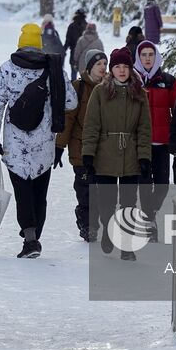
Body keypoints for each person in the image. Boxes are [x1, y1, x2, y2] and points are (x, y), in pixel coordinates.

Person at [0, 23, 76, 258]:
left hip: (15, 144)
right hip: (44, 144)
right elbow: (71, 103)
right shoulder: (53, 70)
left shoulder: (6, 70)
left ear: (20, 43)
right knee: (40, 191)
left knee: (22, 191)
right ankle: (36, 234)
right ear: (40, 45)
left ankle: (30, 237)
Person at [81, 46, 153, 261]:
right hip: (105, 154)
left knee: (129, 203)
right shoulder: (100, 92)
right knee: (107, 202)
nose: (122, 71)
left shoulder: (139, 94)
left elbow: (144, 128)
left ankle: (126, 245)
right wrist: (88, 154)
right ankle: (108, 229)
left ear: (131, 69)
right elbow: (92, 124)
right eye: (117, 66)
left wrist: (144, 156)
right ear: (111, 70)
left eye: (125, 66)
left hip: (130, 154)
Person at [57, 47, 107, 242]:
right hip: (80, 148)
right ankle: (88, 225)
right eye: (98, 64)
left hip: (103, 149)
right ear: (89, 67)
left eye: (104, 63)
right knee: (85, 189)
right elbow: (68, 119)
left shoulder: (110, 87)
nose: (102, 67)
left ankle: (91, 220)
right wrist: (59, 147)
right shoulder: (77, 87)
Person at [133, 40, 176, 239]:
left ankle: (149, 214)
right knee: (144, 183)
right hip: (141, 143)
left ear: (156, 57)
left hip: (162, 142)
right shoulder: (132, 81)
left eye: (150, 54)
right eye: (143, 54)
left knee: (162, 184)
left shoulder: (168, 81)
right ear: (138, 57)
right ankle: (149, 221)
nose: (147, 58)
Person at [41, 16, 66, 80]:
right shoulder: (55, 33)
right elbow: (61, 50)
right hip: (54, 63)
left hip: (42, 63)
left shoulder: (40, 33)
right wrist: (61, 64)